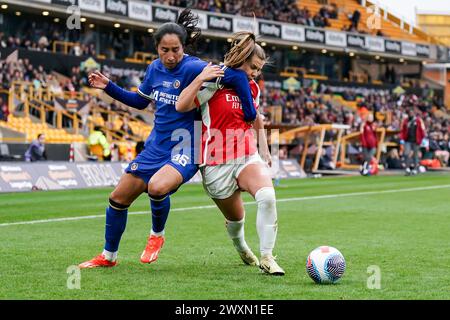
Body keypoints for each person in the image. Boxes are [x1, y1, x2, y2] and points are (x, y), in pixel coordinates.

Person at [79, 10, 257, 269]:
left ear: (184, 48)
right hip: (156, 145)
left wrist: (250, 111)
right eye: (165, 50)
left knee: (157, 187)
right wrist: (109, 86)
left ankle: (156, 236)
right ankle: (108, 257)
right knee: (117, 199)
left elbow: (238, 76)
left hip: (187, 144)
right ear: (157, 48)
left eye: (176, 49)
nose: (170, 56)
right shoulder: (154, 68)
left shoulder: (195, 67)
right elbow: (140, 101)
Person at [176, 31, 285, 275]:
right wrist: (201, 79)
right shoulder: (214, 83)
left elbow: (255, 117)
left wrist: (264, 148)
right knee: (236, 220)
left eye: (259, 69)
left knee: (267, 197)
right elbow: (182, 105)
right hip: (215, 162)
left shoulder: (252, 88)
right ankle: (241, 246)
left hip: (246, 155)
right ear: (242, 59)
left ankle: (267, 257)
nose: (255, 73)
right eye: (253, 67)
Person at [400, 108, 426, 176]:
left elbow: (422, 130)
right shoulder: (406, 121)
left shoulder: (418, 121)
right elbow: (403, 130)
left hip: (416, 140)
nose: (410, 114)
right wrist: (402, 138)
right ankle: (407, 168)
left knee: (415, 155)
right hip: (407, 140)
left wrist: (421, 139)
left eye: (412, 113)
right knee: (406, 154)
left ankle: (415, 169)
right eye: (409, 113)